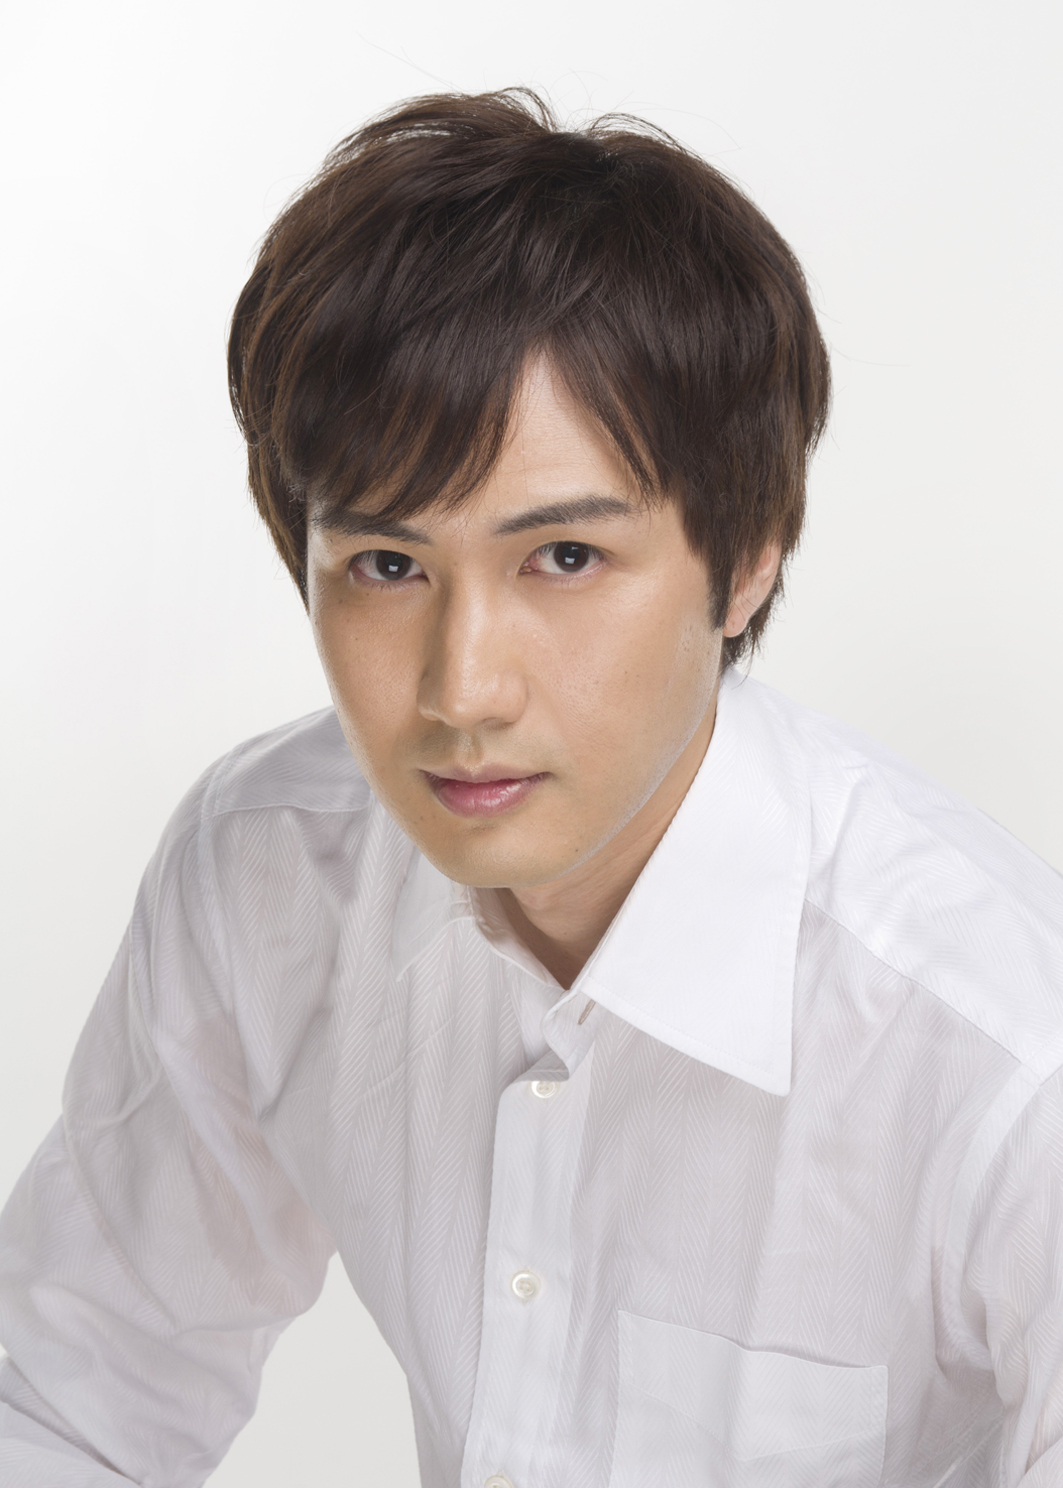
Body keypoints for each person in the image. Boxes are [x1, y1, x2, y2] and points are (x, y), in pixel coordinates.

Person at [1, 85, 1061, 1488]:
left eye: (564, 558)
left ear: (748, 558)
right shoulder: (272, 873)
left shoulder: (1003, 1054)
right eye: (388, 565)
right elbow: (69, 1405)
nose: (463, 690)